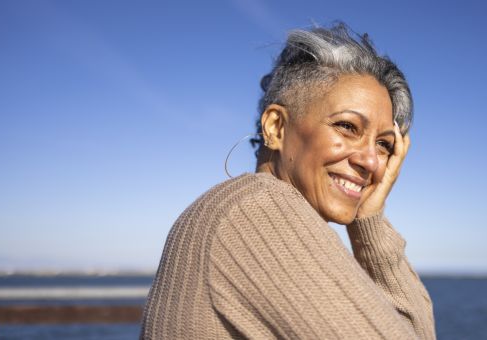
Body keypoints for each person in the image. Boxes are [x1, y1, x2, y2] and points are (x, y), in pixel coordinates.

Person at [140, 23, 435, 339]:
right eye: (348, 127)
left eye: (384, 144)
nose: (371, 161)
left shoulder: (232, 208)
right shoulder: (256, 210)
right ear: (276, 126)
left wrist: (370, 221)